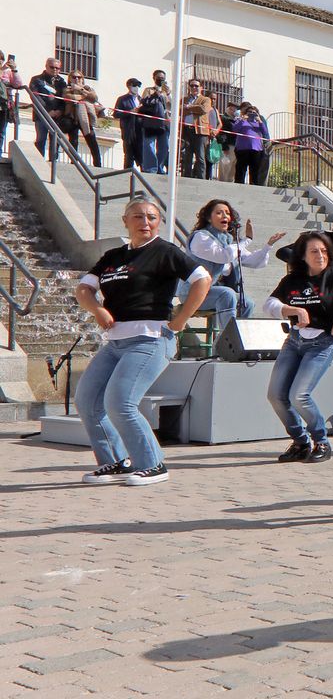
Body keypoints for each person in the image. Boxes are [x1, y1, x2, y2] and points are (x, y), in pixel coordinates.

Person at [74, 200, 211, 486]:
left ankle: (153, 464)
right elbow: (84, 288)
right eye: (138, 216)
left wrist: (181, 318)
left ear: (159, 222)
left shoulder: (165, 251)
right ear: (125, 220)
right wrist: (98, 309)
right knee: (87, 400)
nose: (145, 221)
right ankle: (116, 461)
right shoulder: (113, 256)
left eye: (151, 217)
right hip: (115, 342)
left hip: (150, 339)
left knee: (121, 402)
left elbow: (202, 279)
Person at [263, 232, 333, 463]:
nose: (320, 255)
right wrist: (294, 311)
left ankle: (321, 441)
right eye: (314, 251)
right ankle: (300, 442)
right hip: (294, 341)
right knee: (276, 395)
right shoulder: (292, 281)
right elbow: (270, 304)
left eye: (323, 251)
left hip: (322, 342)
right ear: (302, 256)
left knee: (299, 395)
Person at [186, 200, 285, 334]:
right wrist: (246, 241)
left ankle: (240, 340)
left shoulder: (230, 243)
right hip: (192, 293)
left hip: (214, 292)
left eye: (227, 213)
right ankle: (228, 340)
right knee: (227, 294)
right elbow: (223, 256)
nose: (225, 216)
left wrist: (268, 246)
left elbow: (254, 262)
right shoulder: (201, 237)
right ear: (209, 218)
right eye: (219, 213)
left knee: (246, 303)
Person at [63, 71, 104, 166]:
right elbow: (68, 96)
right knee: (73, 140)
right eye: (74, 77)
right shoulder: (67, 88)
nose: (76, 79)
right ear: (70, 78)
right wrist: (84, 96)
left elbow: (94, 98)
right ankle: (73, 162)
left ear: (82, 78)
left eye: (79, 77)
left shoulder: (88, 88)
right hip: (72, 117)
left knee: (92, 140)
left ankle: (98, 164)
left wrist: (80, 89)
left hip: (86, 118)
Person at [28, 57, 67, 158]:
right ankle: (39, 161)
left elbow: (64, 99)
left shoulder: (62, 82)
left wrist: (59, 111)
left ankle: (53, 162)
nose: (55, 69)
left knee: (56, 139)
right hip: (41, 115)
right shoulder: (36, 79)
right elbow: (35, 97)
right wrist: (47, 111)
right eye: (52, 67)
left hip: (57, 115)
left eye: (57, 68)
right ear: (46, 66)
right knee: (41, 139)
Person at [178, 78, 213, 179]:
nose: (194, 87)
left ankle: (201, 178)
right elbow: (180, 110)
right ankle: (186, 177)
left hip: (200, 131)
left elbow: (204, 109)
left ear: (201, 87)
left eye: (196, 86)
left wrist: (188, 107)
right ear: (189, 87)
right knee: (187, 156)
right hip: (186, 130)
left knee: (200, 157)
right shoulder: (184, 99)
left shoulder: (205, 99)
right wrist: (193, 108)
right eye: (192, 85)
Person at [231, 103, 271, 185]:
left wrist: (259, 121)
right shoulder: (241, 120)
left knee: (254, 170)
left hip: (256, 149)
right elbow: (234, 129)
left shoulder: (259, 123)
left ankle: (253, 186)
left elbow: (265, 132)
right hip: (242, 149)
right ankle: (239, 185)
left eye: (254, 112)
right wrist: (243, 119)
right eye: (249, 112)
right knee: (241, 169)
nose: (251, 114)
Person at [113, 79, 143, 171]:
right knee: (129, 153)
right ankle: (127, 173)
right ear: (129, 86)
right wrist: (130, 112)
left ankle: (145, 174)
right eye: (134, 85)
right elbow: (116, 114)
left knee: (142, 153)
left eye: (138, 86)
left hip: (140, 130)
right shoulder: (122, 99)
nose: (136, 88)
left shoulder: (141, 99)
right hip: (128, 130)